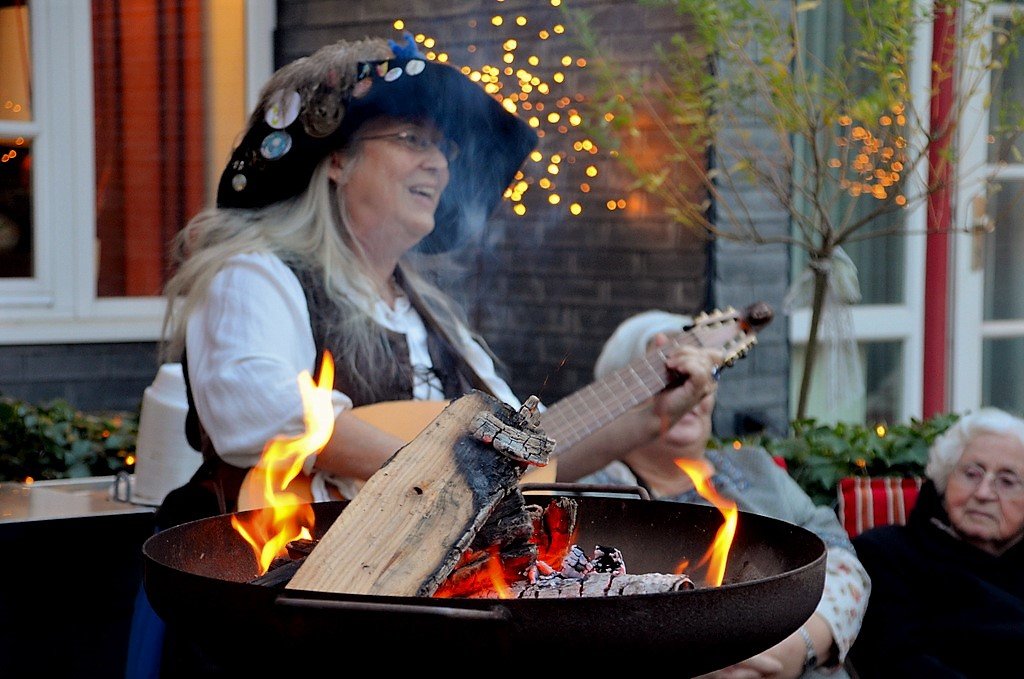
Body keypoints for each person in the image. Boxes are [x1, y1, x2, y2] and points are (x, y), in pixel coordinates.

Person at [153, 35, 722, 529]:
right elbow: (255, 411)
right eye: (412, 140)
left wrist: (655, 414)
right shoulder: (256, 275)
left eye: (444, 148)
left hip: (405, 592)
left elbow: (520, 466)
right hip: (267, 589)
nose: (441, 165)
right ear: (336, 161)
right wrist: (449, 476)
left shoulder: (434, 320)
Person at [576, 310, 871, 679]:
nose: (685, 394)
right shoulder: (587, 499)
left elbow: (839, 560)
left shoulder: (754, 468)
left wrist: (799, 649)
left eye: (698, 377)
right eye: (665, 378)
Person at [848, 407, 1024, 678]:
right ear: (945, 479)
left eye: (1007, 481)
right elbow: (895, 662)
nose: (984, 493)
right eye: (971, 473)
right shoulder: (885, 554)